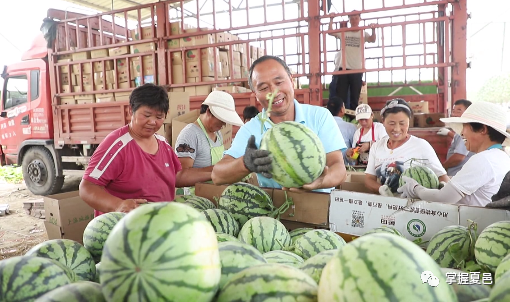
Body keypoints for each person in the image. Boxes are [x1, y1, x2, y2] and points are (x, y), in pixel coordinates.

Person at [211, 55, 347, 192]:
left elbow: (338, 167)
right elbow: (217, 176)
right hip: (276, 210)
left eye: (279, 82)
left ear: (291, 81)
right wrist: (245, 163)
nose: (274, 93)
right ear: (256, 95)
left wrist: (320, 182)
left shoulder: (319, 116)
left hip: (320, 206)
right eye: (263, 88)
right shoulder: (250, 130)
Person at [79, 84, 195, 217]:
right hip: (126, 228)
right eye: (146, 115)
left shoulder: (163, 143)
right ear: (130, 110)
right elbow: (87, 188)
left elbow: (176, 177)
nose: (152, 122)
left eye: (159, 117)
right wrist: (118, 205)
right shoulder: (117, 145)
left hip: (160, 224)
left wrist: (212, 173)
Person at [398, 101, 510, 207]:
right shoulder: (501, 156)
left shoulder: (483, 159)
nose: (461, 133)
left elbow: (443, 198)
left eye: (465, 127)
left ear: (483, 130)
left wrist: (416, 188)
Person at [364, 98, 450, 196]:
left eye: (402, 123)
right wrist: (381, 189)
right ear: (383, 121)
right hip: (388, 205)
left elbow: (442, 176)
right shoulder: (376, 147)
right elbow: (369, 179)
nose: (396, 129)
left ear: (409, 121)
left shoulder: (421, 145)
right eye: (391, 123)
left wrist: (442, 189)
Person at [174, 91, 244, 191]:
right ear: (208, 112)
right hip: (197, 198)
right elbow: (180, 176)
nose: (224, 124)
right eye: (221, 119)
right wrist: (217, 173)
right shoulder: (190, 134)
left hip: (217, 194)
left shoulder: (218, 133)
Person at [328, 11, 376, 110]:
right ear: (349, 20)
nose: (354, 20)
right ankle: (343, 118)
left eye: (356, 18)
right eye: (352, 18)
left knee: (355, 97)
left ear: (359, 19)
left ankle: (353, 119)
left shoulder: (363, 32)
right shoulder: (344, 32)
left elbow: (372, 39)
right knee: (341, 97)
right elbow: (330, 32)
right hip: (344, 68)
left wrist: (373, 29)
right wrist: (331, 19)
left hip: (357, 69)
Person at [437, 99, 474, 176]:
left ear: (468, 113)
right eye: (453, 111)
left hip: (458, 175)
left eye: (459, 111)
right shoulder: (462, 129)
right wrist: (449, 133)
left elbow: (458, 157)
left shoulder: (466, 130)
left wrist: (442, 168)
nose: (454, 114)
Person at [326, 96, 357, 165]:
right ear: (342, 110)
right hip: (345, 167)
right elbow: (356, 149)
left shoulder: (320, 126)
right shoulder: (350, 127)